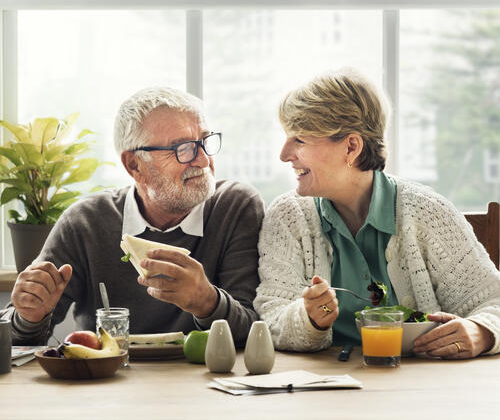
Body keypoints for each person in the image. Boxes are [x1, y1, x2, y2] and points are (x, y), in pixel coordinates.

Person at [254, 68, 500, 358]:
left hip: (422, 388)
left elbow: (492, 301)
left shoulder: (428, 212)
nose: (284, 154)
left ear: (351, 146)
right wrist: (308, 319)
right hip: (322, 392)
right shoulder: (288, 216)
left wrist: (482, 330)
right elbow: (271, 319)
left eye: (300, 140)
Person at [1, 87, 264, 347]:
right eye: (183, 148)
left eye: (205, 141)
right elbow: (16, 341)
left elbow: (255, 333)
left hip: (206, 382)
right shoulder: (85, 223)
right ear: (134, 165)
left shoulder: (235, 207)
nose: (204, 161)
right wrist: (28, 317)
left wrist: (207, 302)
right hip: (107, 380)